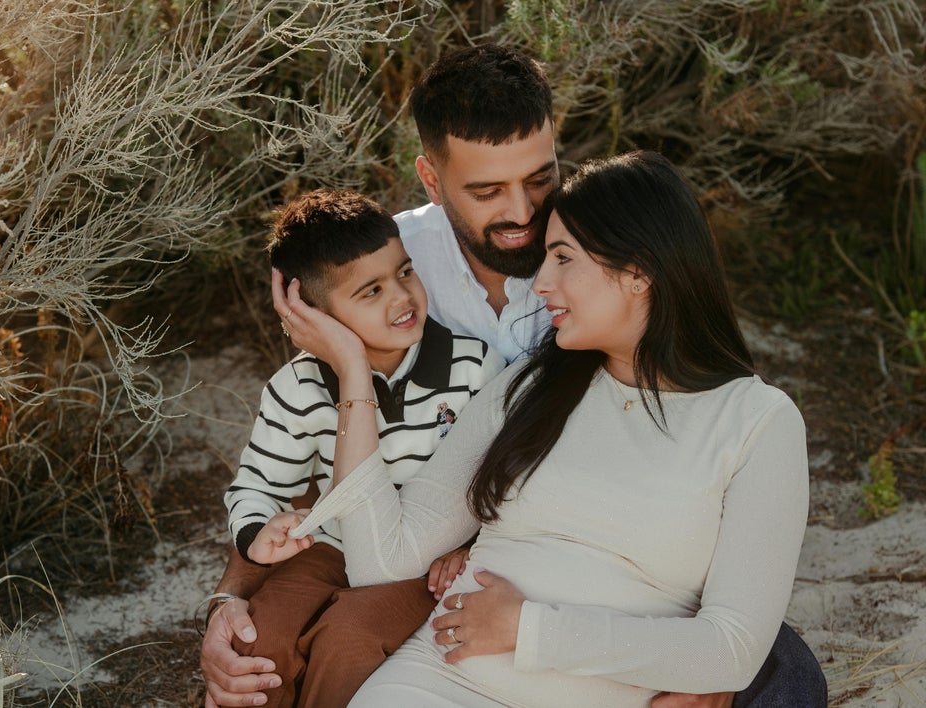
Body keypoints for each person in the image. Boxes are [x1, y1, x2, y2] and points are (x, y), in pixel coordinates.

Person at [201, 44, 826, 707]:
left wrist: (553, 635)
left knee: (785, 676)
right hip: (444, 626)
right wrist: (228, 597)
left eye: (539, 183)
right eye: (488, 190)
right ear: (433, 180)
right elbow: (306, 472)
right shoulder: (388, 274)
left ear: (640, 272)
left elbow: (726, 635)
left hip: (573, 630)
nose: (526, 220)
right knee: (310, 644)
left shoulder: (750, 417)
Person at [219, 187, 505, 708]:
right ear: (312, 314)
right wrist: (258, 532)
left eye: (403, 272)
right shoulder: (298, 388)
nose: (402, 297)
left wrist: (469, 547)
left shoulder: (471, 366)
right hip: (327, 548)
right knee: (260, 640)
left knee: (349, 642)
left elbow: (497, 478)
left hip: (419, 560)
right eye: (369, 291)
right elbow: (259, 484)